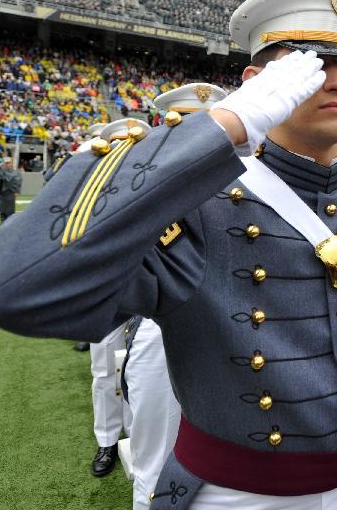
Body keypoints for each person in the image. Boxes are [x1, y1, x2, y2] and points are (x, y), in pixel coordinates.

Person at [0, 0, 337, 510]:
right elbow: (15, 287)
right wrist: (225, 125)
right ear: (258, 80)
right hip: (239, 496)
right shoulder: (199, 205)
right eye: (311, 64)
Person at [119, 83, 228, 509]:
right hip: (160, 328)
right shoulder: (142, 187)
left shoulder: (249, 186)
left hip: (229, 330)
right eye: (185, 127)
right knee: (154, 464)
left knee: (221, 460)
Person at [86, 119, 149, 478]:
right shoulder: (94, 189)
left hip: (149, 293)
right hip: (109, 294)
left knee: (143, 370)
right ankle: (108, 439)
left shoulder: (153, 181)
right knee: (106, 371)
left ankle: (134, 432)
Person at [0, 158, 22, 222]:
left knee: (10, 209)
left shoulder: (15, 172)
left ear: (11, 163)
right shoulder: (0, 171)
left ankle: (9, 221)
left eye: (8, 163)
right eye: (6, 163)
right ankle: (2, 221)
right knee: (2, 209)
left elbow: (18, 182)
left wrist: (17, 191)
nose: (7, 164)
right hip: (1, 193)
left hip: (10, 192)